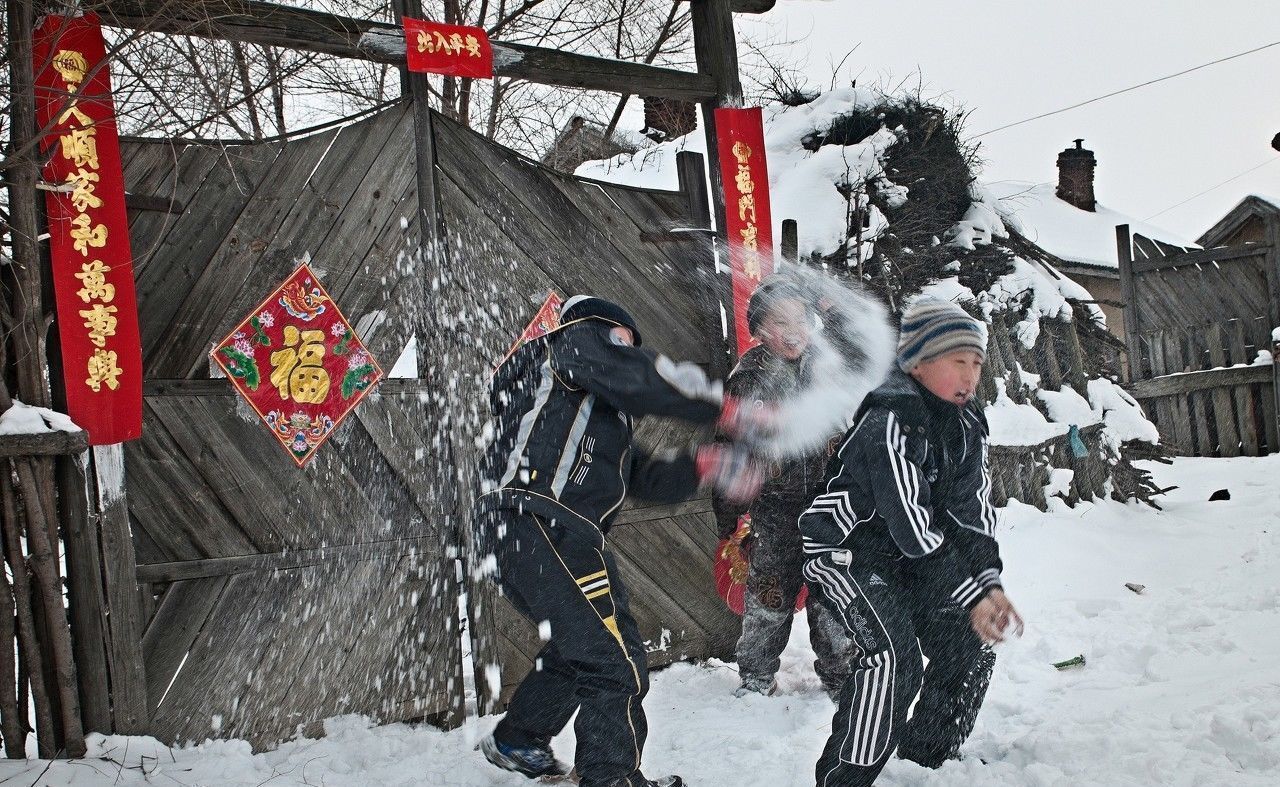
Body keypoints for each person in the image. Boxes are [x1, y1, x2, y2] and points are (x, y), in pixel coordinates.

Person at [473, 295, 769, 787]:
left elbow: (641, 477)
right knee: (614, 662)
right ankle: (611, 777)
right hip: (541, 520)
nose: (628, 351)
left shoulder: (588, 406)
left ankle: (520, 738)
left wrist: (706, 465)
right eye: (626, 343)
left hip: (548, 532)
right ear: (607, 330)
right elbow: (635, 375)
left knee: (590, 647)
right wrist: (726, 409)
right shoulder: (573, 341)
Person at [799, 299, 1024, 786]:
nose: (971, 373)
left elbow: (972, 515)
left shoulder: (966, 426)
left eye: (978, 362)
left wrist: (989, 587)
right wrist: (971, 592)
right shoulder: (889, 419)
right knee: (892, 661)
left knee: (969, 635)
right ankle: (843, 780)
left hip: (909, 557)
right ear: (918, 363)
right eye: (957, 360)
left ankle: (922, 759)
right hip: (847, 552)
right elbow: (910, 523)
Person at [713, 273, 856, 699]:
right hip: (775, 508)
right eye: (779, 322)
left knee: (833, 595)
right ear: (758, 330)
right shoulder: (747, 379)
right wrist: (727, 518)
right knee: (768, 596)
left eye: (800, 319)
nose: (792, 331)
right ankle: (756, 677)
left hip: (831, 505)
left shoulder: (830, 363)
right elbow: (730, 449)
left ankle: (841, 674)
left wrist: (829, 305)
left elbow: (861, 341)